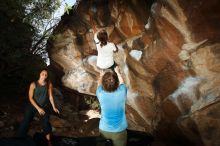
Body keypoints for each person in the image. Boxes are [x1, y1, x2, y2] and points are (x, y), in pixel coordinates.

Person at [17, 68, 59, 145]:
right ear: (40, 74)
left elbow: (50, 97)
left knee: (46, 123)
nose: (44, 76)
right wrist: (38, 108)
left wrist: (54, 107)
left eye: (46, 75)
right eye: (43, 74)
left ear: (47, 76)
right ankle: (19, 138)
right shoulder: (33, 84)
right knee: (26, 120)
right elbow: (30, 98)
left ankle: (48, 141)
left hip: (44, 106)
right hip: (33, 105)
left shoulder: (49, 84)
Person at [96, 66, 128, 146]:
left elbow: (99, 84)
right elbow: (122, 83)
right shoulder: (122, 91)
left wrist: (101, 75)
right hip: (119, 131)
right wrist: (117, 72)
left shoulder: (100, 93)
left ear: (103, 83)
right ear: (116, 83)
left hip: (104, 129)